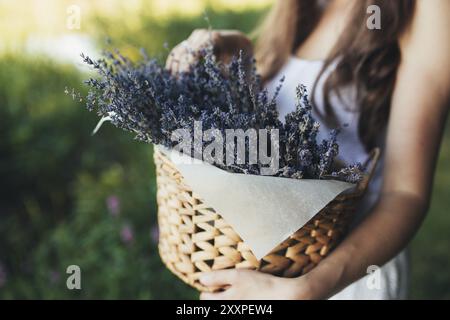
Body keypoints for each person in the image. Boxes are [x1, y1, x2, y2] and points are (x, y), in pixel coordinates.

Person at [165, 0, 450, 299]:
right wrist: (237, 50)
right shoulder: (302, 7)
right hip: (269, 269)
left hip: (345, 278)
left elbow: (406, 195)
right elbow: (271, 121)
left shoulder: (427, 8)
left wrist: (307, 289)